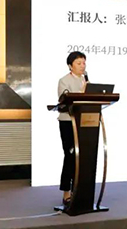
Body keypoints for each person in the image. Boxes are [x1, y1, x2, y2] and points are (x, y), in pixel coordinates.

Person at [57, 51, 88, 206]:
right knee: (70, 157)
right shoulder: (64, 81)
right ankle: (66, 192)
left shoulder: (86, 80)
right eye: (79, 63)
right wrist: (82, 92)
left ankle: (79, 190)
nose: (82, 66)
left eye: (84, 63)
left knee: (82, 158)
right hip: (68, 122)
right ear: (70, 66)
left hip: (83, 122)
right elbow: (65, 101)